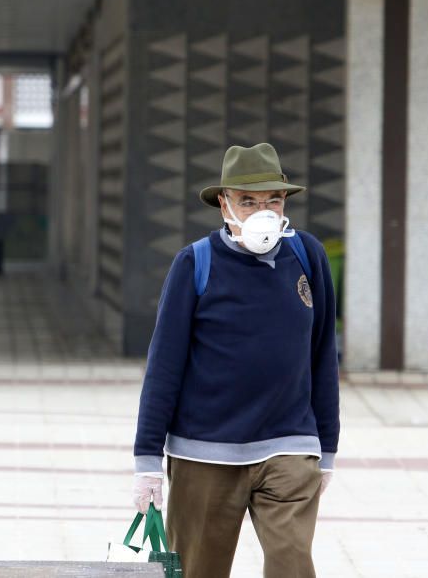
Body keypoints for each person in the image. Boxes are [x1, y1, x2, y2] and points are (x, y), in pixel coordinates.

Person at [132, 142, 340, 578]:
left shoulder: (307, 256)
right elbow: (164, 366)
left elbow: (322, 355)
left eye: (273, 200)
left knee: (292, 565)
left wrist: (327, 448)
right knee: (197, 571)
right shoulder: (195, 263)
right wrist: (147, 462)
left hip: (289, 445)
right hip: (205, 454)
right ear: (223, 205)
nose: (262, 210)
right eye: (248, 201)